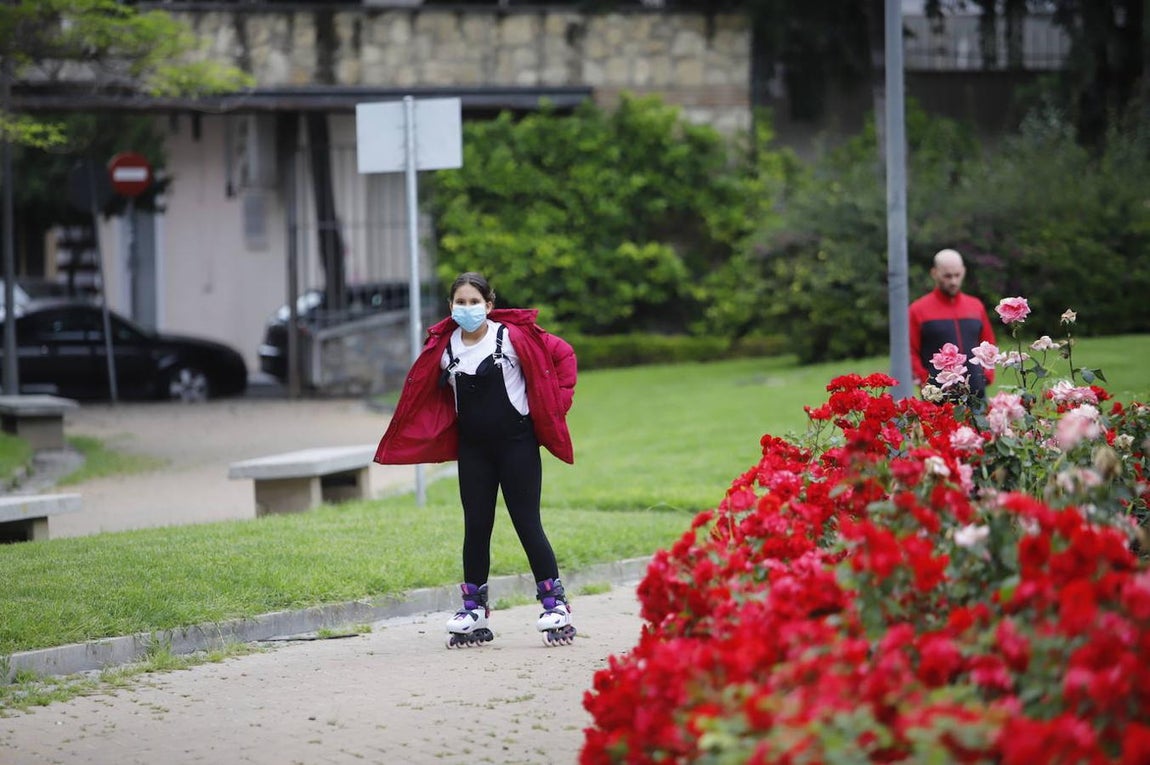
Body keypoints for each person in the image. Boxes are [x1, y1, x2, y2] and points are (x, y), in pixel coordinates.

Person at [374, 272, 579, 648]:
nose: (466, 309)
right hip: (474, 451)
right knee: (476, 526)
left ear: (489, 305)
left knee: (526, 522)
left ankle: (555, 604)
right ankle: (474, 610)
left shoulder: (510, 338)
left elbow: (564, 355)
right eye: (459, 302)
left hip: (517, 445)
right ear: (451, 307)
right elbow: (424, 396)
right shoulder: (444, 349)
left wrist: (556, 405)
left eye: (474, 302)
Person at [908, 248, 997, 397]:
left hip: (976, 394)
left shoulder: (976, 306)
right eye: (947, 276)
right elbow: (910, 352)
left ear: (963, 271)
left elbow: (988, 342)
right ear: (934, 273)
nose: (954, 281)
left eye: (957, 275)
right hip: (938, 398)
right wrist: (926, 382)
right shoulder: (917, 310)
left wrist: (987, 374)